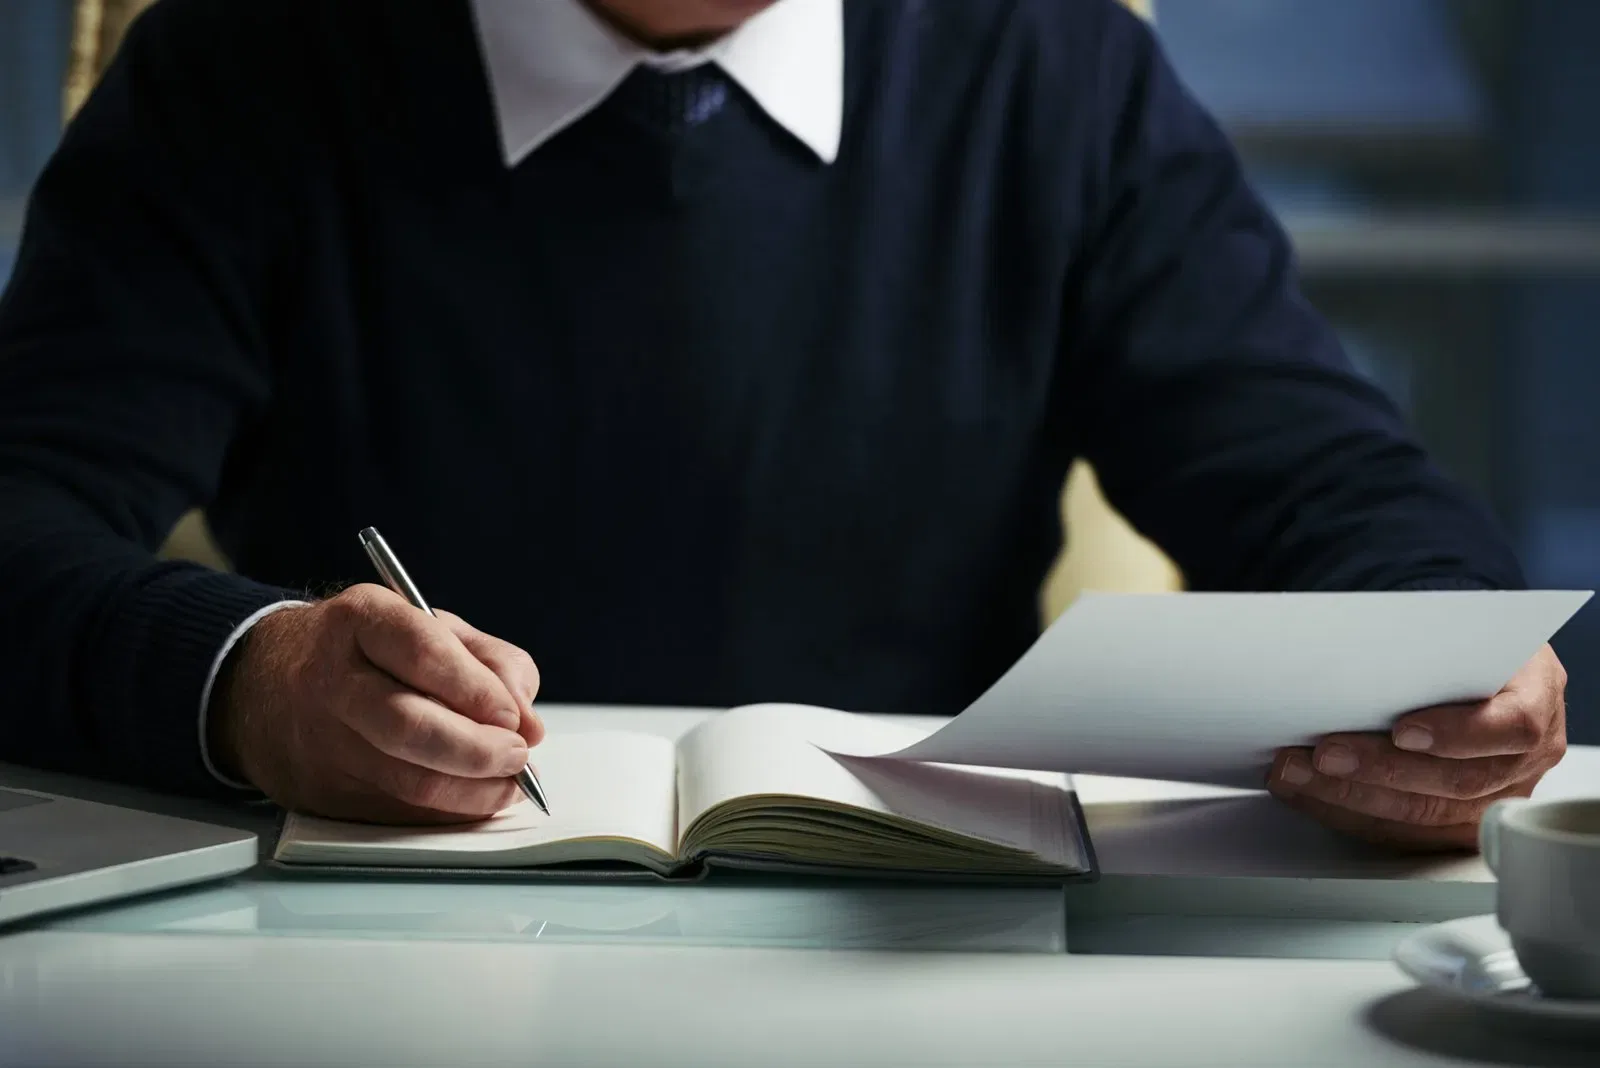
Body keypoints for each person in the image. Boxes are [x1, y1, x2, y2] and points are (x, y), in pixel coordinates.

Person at [0, 0, 1566, 850]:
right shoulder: (245, 56)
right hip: (358, 927)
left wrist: (1444, 667)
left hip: (928, 918)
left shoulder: (1046, 59)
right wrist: (250, 680)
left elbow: (1327, 477)